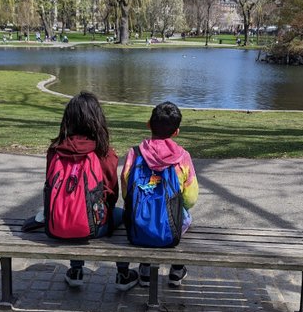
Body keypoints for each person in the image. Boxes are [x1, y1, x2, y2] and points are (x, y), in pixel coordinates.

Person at [47, 92, 139, 291]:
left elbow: (49, 187)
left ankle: (76, 270)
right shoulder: (104, 152)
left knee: (74, 211)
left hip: (55, 224)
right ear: (97, 120)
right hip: (94, 228)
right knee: (121, 216)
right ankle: (123, 274)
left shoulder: (55, 150)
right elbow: (111, 194)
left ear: (68, 120)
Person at [120, 102, 199, 287]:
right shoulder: (183, 157)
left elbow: (126, 189)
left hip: (139, 223)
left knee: (143, 215)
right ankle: (177, 270)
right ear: (176, 132)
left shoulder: (135, 153)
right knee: (185, 217)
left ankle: (145, 270)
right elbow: (190, 198)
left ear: (148, 124)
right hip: (169, 228)